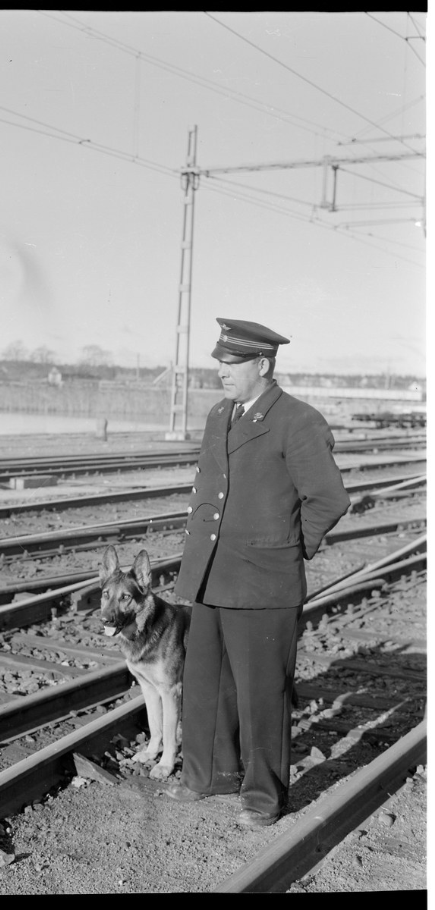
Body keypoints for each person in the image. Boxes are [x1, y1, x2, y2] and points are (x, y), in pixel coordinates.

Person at [165, 318, 351, 827]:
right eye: (219, 363)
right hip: (211, 576)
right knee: (207, 685)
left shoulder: (298, 420)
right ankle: (208, 777)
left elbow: (329, 499)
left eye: (232, 364)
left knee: (262, 694)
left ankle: (263, 796)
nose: (221, 372)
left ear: (263, 366)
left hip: (265, 582)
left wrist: (289, 548)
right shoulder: (219, 415)